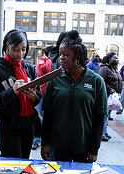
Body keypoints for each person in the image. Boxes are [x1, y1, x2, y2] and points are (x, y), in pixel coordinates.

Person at [41, 30, 107, 163]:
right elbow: (48, 114)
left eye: (66, 54)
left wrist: (94, 149)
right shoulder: (54, 80)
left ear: (77, 55)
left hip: (84, 147)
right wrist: (44, 143)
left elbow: (100, 118)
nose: (61, 58)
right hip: (58, 147)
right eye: (60, 54)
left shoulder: (96, 81)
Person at [0, 29, 42, 159]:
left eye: (24, 49)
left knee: (24, 163)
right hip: (8, 129)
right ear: (6, 47)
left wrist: (34, 97)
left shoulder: (29, 69)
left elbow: (38, 96)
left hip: (28, 127)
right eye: (16, 49)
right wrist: (12, 92)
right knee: (12, 167)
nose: (20, 53)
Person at [96, 52, 122, 141]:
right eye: (115, 58)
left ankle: (105, 131)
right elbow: (101, 81)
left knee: (107, 115)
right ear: (109, 59)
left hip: (112, 96)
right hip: (106, 95)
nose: (117, 60)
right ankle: (101, 133)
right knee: (104, 115)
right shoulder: (104, 69)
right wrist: (110, 89)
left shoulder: (113, 69)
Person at [32, 46, 52, 150]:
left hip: (46, 93)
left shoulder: (42, 61)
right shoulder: (45, 62)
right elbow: (48, 71)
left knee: (43, 118)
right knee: (39, 118)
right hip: (42, 93)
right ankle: (36, 139)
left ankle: (39, 139)